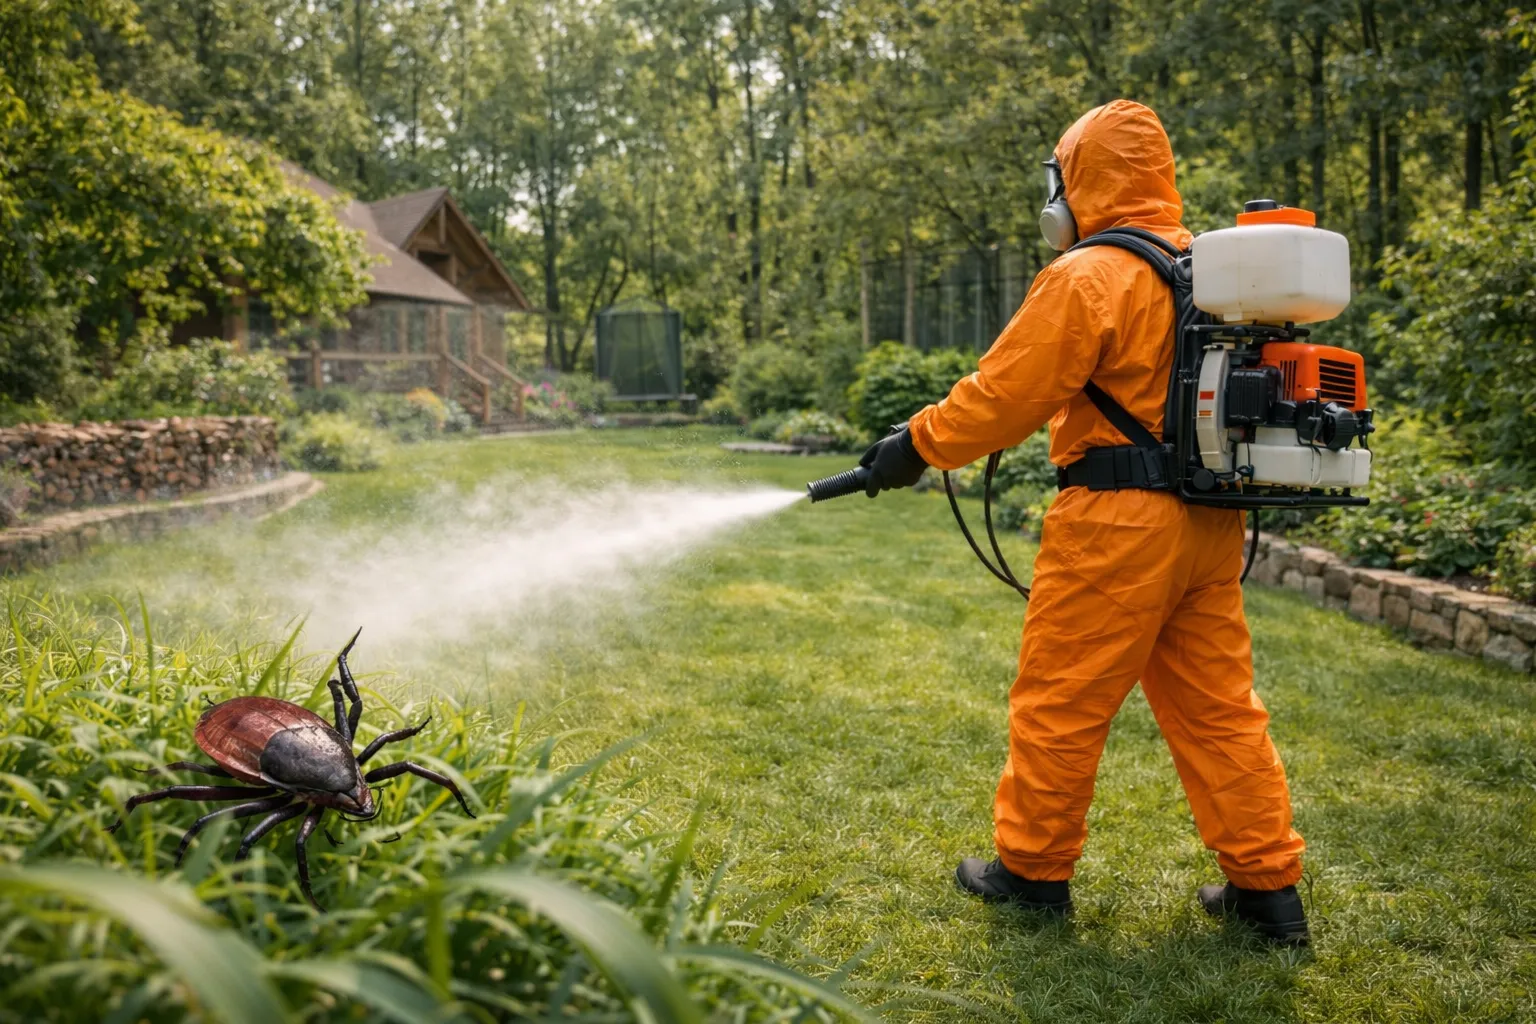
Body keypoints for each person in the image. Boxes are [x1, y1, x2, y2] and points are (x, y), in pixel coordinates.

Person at [856, 99, 1310, 946]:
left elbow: (1004, 397)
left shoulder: (1088, 276)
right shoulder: (1206, 272)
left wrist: (914, 445)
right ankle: (1269, 893)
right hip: (1206, 524)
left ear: (1078, 181)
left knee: (1061, 700)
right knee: (1221, 712)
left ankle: (1028, 874)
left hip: (1116, 526)